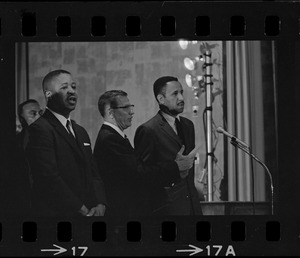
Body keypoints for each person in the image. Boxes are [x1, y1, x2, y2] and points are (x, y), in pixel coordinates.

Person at [26, 69, 106, 217]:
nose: (71, 91)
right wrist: (82, 209)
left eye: (73, 86)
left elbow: (94, 173)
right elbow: (48, 178)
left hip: (90, 215)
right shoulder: (40, 129)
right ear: (48, 94)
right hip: (58, 217)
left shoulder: (80, 131)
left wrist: (100, 203)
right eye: (64, 87)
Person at [134, 76, 203, 216]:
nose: (182, 98)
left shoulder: (188, 125)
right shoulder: (148, 130)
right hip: (165, 209)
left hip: (192, 207)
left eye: (182, 92)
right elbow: (143, 175)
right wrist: (174, 168)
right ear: (161, 99)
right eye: (175, 94)